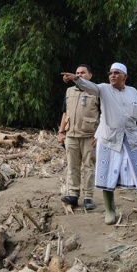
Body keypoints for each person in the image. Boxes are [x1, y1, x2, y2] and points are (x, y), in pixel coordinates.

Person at [61, 62, 137, 225]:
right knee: (106, 175)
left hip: (131, 139)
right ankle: (110, 209)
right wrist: (77, 79)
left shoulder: (133, 92)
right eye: (111, 73)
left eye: (117, 73)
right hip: (109, 139)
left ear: (125, 76)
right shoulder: (103, 89)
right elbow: (90, 87)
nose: (112, 75)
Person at [58, 64, 101, 211]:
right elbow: (65, 113)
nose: (79, 75)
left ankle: (88, 197)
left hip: (90, 136)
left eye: (83, 73)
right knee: (72, 166)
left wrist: (100, 134)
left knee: (89, 167)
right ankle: (73, 195)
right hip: (71, 135)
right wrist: (61, 132)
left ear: (90, 75)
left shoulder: (97, 92)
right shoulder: (69, 91)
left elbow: (105, 115)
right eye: (77, 73)